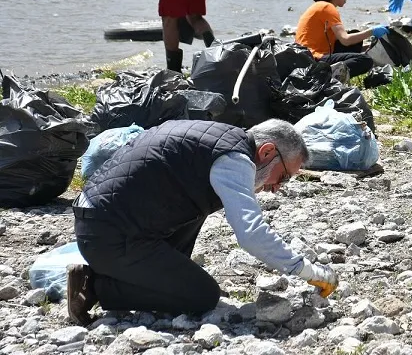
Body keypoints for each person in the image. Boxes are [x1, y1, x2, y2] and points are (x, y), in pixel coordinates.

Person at [67, 119, 338, 325]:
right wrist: (307, 271)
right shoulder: (234, 160)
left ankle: (132, 275)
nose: (277, 187)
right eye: (283, 177)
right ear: (267, 152)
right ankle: (94, 286)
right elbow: (251, 234)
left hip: (103, 219)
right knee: (202, 297)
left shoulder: (219, 141)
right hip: (108, 233)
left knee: (197, 210)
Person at [295, 0, 384, 78]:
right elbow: (345, 40)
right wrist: (372, 31)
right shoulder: (328, 8)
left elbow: (341, 43)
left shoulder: (319, 6)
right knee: (365, 60)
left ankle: (328, 73)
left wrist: (369, 47)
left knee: (356, 37)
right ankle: (324, 76)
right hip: (313, 59)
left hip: (302, 59)